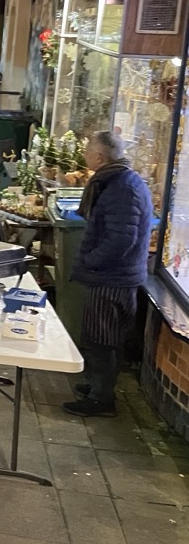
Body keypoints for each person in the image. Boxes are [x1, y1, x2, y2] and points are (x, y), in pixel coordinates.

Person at [64, 132, 154, 418]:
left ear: (100, 157)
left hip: (112, 279)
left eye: (88, 151)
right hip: (116, 275)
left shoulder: (121, 187)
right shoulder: (120, 180)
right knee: (100, 337)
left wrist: (92, 261)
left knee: (101, 340)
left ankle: (102, 400)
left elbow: (120, 238)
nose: (84, 156)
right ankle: (96, 388)